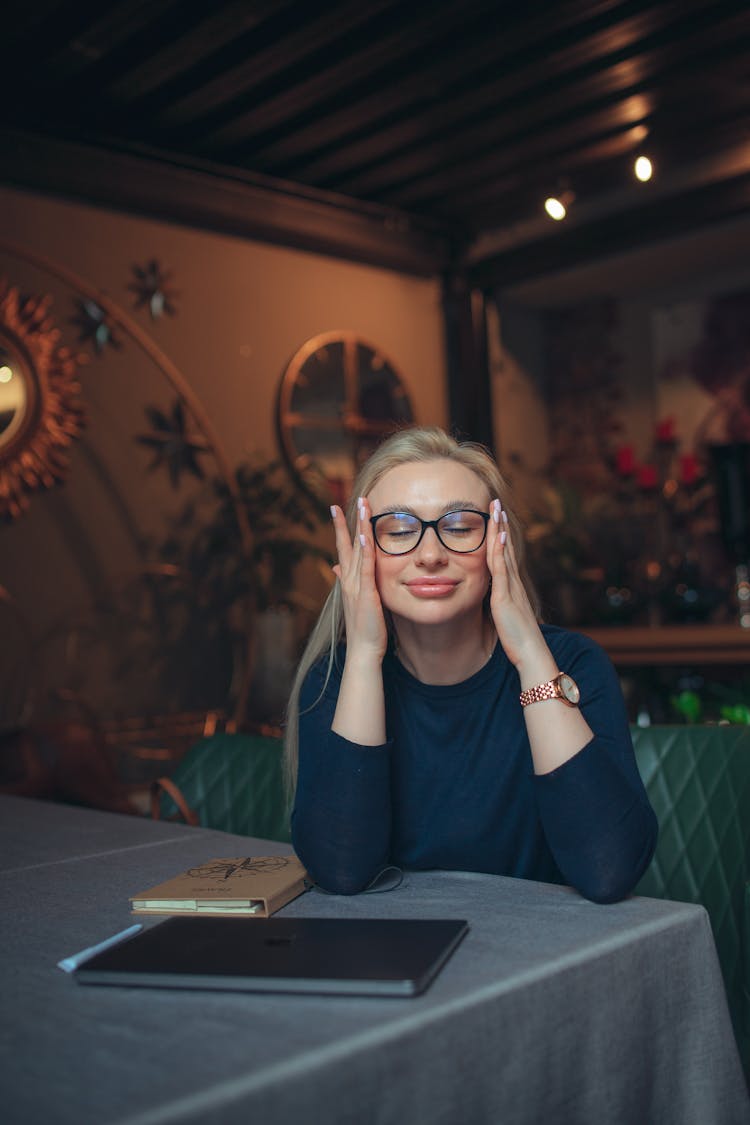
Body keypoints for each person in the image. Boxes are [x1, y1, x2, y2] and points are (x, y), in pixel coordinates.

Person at [284, 426, 657, 903]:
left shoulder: (573, 663)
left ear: (499, 545)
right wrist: (362, 656)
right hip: (397, 957)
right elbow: (340, 869)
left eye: (460, 527)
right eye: (398, 530)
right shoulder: (334, 680)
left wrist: (529, 656)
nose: (431, 554)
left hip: (544, 954)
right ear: (362, 555)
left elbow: (610, 870)